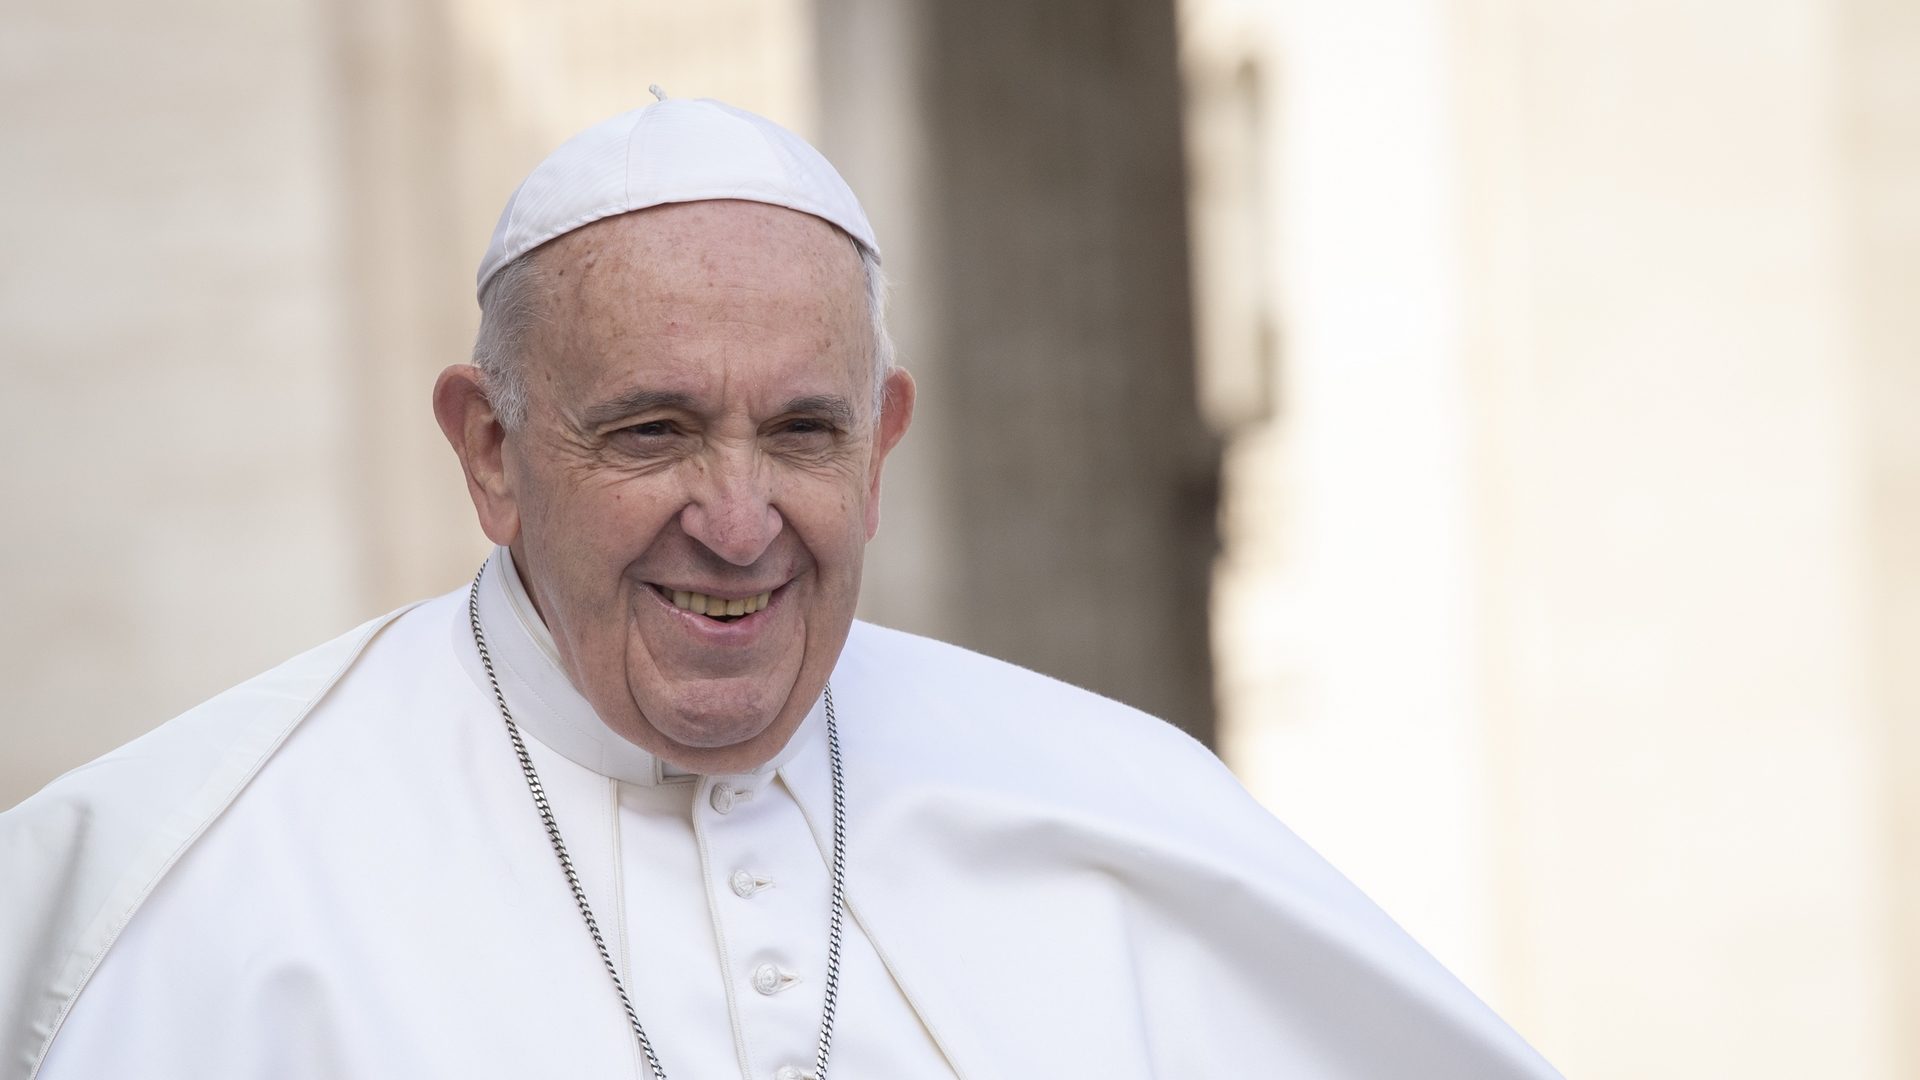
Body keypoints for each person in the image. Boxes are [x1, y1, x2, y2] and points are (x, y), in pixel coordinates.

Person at [0, 96, 1558, 1080]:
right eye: (653, 431)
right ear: (490, 452)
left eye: (803, 432)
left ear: (879, 445)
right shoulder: (185, 878)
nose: (738, 524)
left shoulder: (1127, 811)